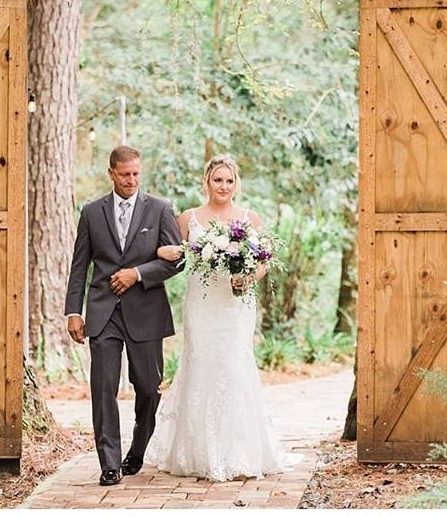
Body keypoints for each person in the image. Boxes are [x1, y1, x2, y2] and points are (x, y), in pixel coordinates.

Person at [144, 154, 302, 481]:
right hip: (201, 304)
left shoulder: (249, 218)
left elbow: (263, 261)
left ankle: (240, 451)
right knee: (200, 364)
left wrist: (249, 277)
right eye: (218, 180)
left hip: (235, 305)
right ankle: (196, 452)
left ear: (236, 183)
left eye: (229, 181)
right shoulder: (189, 218)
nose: (224, 186)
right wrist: (164, 252)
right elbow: (165, 250)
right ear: (207, 181)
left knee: (234, 365)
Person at [63, 145, 184, 486]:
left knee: (148, 388)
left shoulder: (159, 209)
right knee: (103, 389)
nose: (131, 180)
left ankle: (138, 449)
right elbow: (79, 266)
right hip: (103, 314)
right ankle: (110, 463)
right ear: (111, 173)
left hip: (146, 312)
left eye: (136, 174)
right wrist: (74, 311)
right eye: (125, 174)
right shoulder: (91, 212)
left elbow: (178, 260)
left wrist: (138, 273)